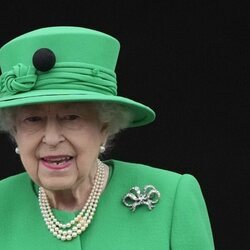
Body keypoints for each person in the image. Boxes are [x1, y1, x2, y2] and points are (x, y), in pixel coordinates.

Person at [0, 26, 215, 249]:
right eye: (33, 119)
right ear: (15, 132)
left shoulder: (172, 198)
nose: (52, 139)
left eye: (71, 117)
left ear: (104, 127)